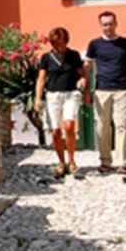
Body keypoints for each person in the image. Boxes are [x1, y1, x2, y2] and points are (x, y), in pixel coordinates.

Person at [84, 11, 126, 175]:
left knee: (122, 125)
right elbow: (87, 68)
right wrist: (86, 90)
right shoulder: (94, 44)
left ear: (116, 24)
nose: (108, 27)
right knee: (102, 127)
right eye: (104, 24)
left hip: (122, 89)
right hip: (101, 90)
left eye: (110, 24)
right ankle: (105, 160)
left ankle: (121, 162)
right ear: (100, 26)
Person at [33, 27, 87, 178]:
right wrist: (37, 99)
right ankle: (61, 162)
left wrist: (82, 81)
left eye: (62, 43)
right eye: (56, 43)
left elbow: (81, 74)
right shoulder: (46, 58)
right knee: (56, 131)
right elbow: (41, 79)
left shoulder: (74, 55)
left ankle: (71, 160)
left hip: (71, 93)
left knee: (69, 125)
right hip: (53, 95)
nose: (59, 46)